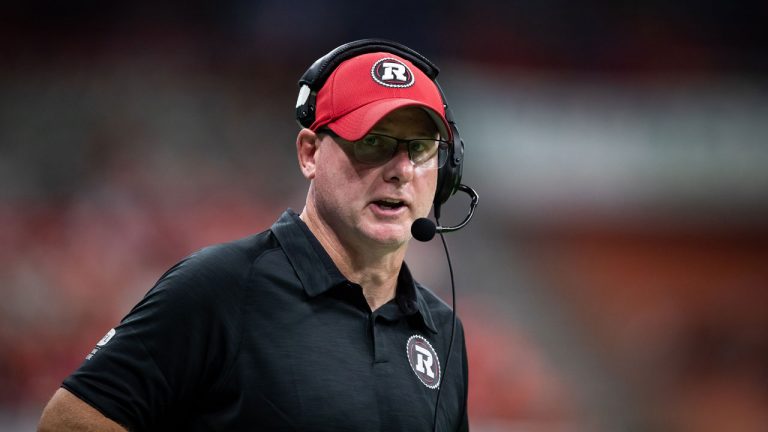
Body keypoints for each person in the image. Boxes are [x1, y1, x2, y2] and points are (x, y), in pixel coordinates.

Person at [38, 40, 470, 431]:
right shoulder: (219, 288)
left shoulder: (443, 332)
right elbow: (68, 423)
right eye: (373, 143)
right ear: (309, 154)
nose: (400, 170)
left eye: (419, 148)